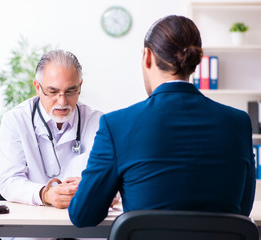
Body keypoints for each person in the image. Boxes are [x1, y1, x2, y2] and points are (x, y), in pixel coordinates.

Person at [68, 15, 256, 227]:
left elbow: (83, 215)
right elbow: (242, 210)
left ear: (147, 56)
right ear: (195, 62)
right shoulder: (239, 123)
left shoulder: (117, 125)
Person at [0, 49, 103, 209]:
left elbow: (109, 176)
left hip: (83, 223)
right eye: (53, 91)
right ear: (37, 87)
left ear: (80, 86)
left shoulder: (98, 122)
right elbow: (9, 181)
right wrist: (45, 194)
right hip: (35, 225)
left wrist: (94, 186)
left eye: (70, 91)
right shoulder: (16, 120)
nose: (62, 102)